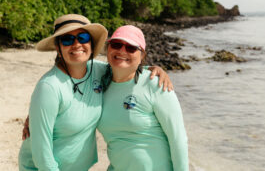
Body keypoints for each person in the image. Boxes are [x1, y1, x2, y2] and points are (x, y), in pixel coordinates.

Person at [19, 14, 172, 171]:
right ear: (58, 48)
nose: (76, 44)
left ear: (91, 44)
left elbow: (125, 67)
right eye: (67, 39)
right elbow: (41, 157)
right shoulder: (49, 87)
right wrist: (37, 113)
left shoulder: (97, 71)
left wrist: (153, 70)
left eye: (83, 37)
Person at [97, 25, 189, 171]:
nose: (122, 51)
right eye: (116, 44)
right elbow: (76, 62)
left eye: (131, 48)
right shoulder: (99, 80)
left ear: (142, 56)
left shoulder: (156, 84)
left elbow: (178, 139)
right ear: (108, 48)